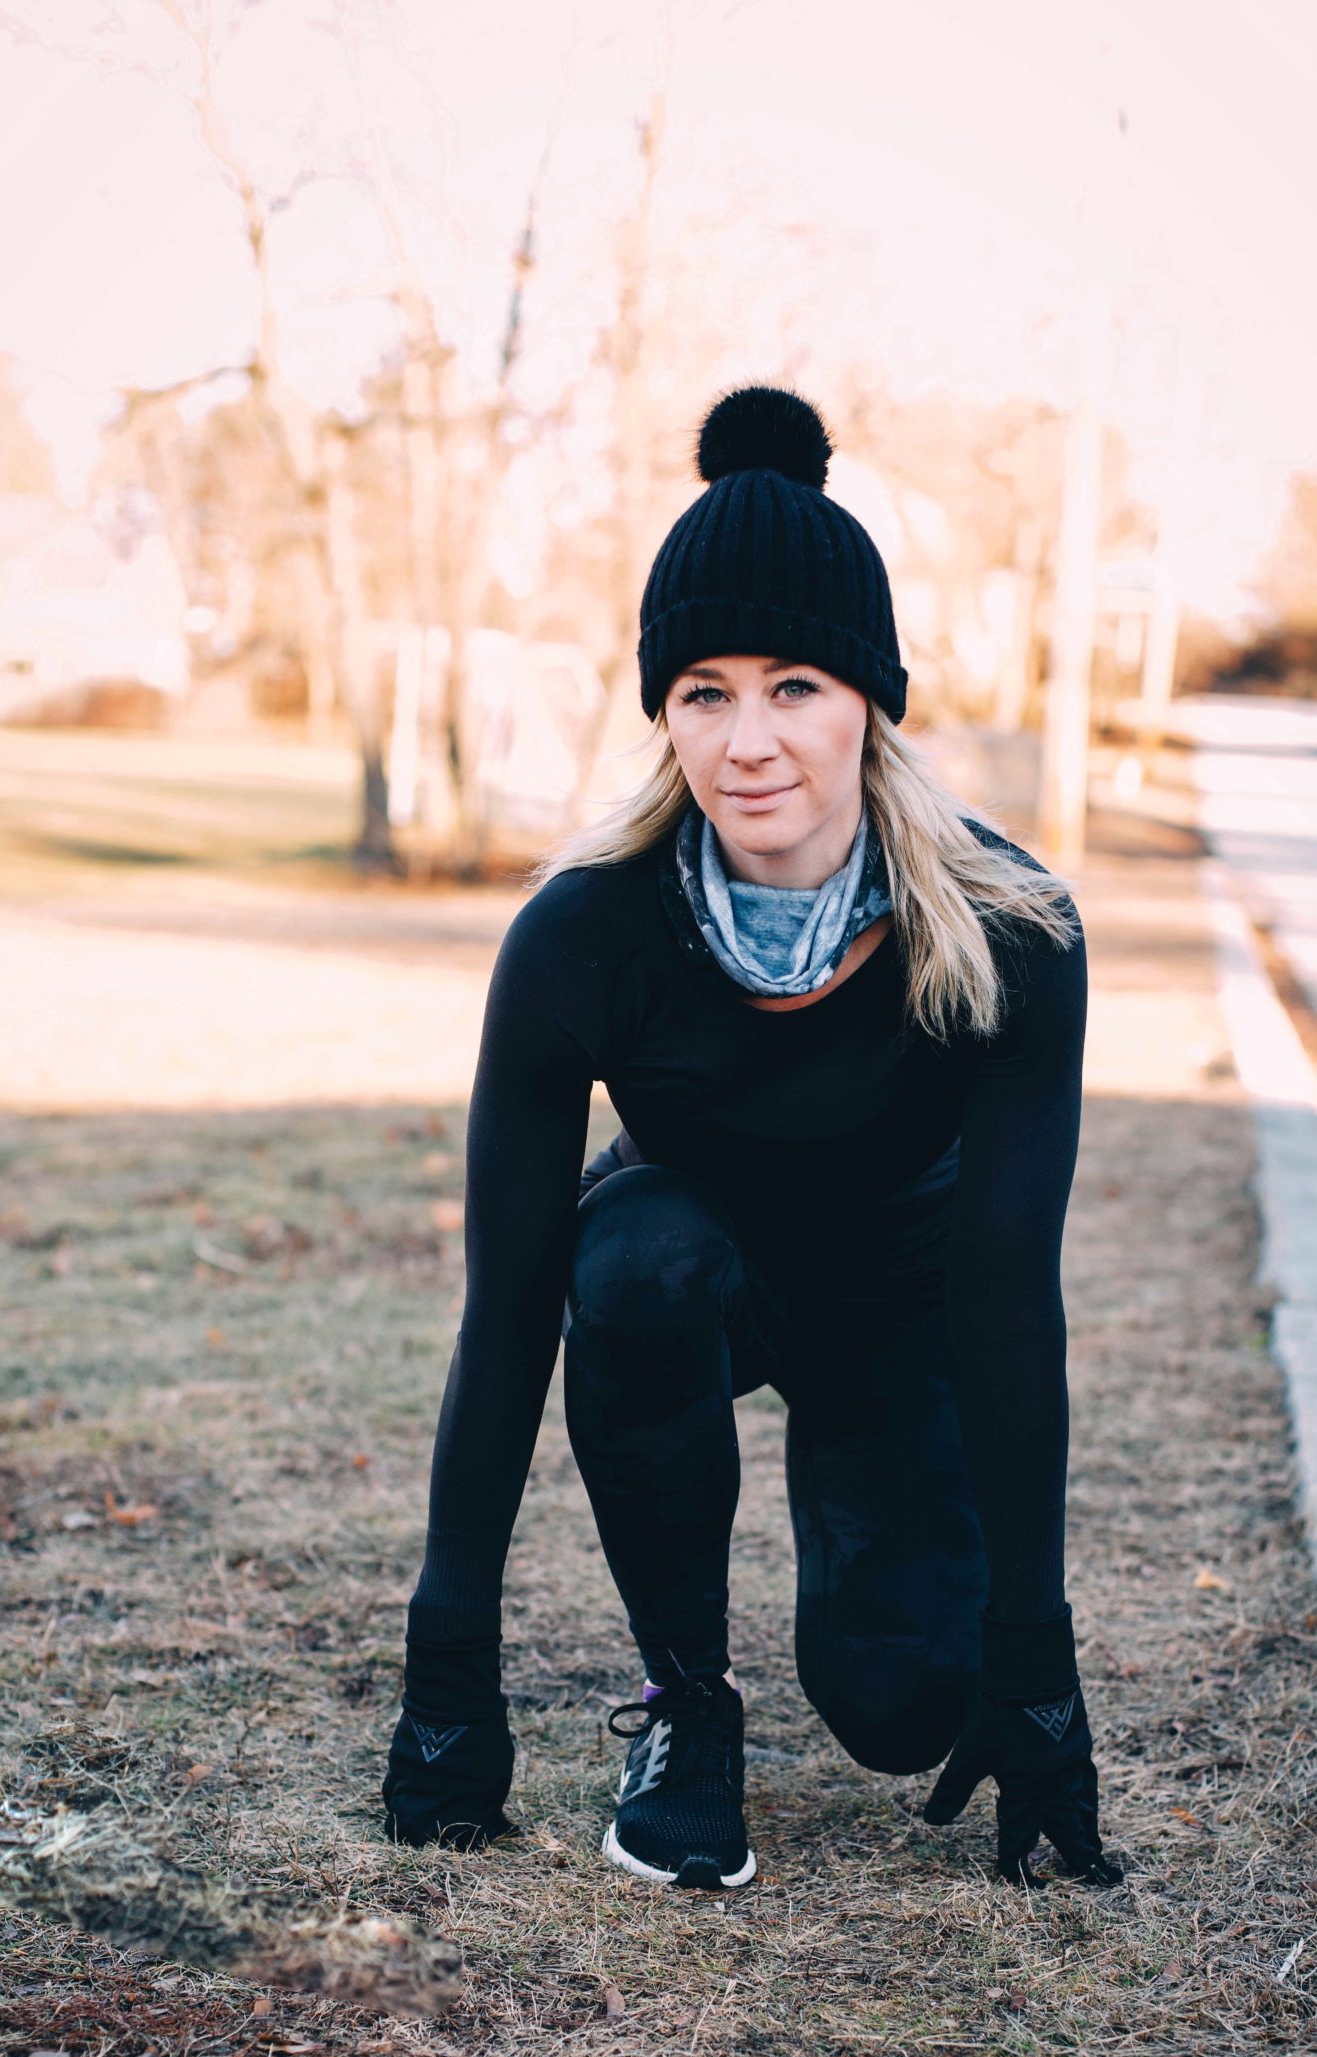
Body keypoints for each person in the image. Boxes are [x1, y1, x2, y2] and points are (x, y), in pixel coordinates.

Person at [381, 384, 1120, 1894]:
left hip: (901, 1303)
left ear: (869, 700)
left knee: (903, 1703)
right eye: (704, 692)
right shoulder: (584, 937)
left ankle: (872, 1546)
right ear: (664, 711)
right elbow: (510, 1309)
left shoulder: (1010, 930)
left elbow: (1004, 1298)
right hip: (692, 1278)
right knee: (637, 1259)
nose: (749, 740)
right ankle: (687, 1705)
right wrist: (448, 1668)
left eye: (795, 685)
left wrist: (1034, 1661)